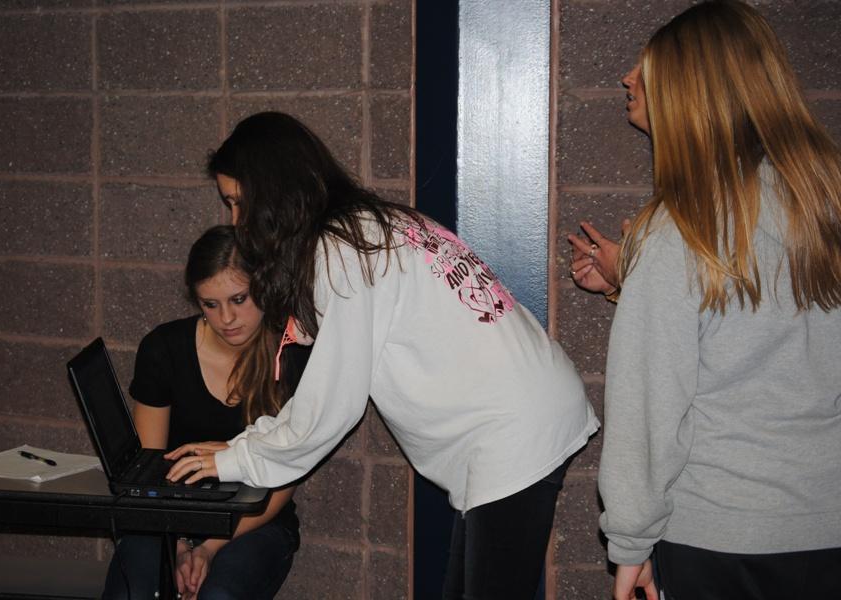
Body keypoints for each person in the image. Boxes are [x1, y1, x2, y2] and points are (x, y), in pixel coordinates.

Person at [164, 111, 600, 598]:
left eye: (240, 204)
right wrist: (247, 445)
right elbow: (317, 371)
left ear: (277, 193)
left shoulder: (344, 253)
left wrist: (237, 458)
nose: (237, 223)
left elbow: (332, 407)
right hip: (519, 420)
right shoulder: (368, 226)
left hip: (514, 432)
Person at [579, 2, 841, 599]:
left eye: (648, 70)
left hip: (720, 536)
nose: (626, 78)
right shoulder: (825, 207)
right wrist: (635, 283)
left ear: (694, 93)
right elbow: (766, 335)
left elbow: (650, 406)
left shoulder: (679, 230)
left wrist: (629, 543)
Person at [103, 225, 309, 600]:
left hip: (256, 521)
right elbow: (151, 469)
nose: (227, 318)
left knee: (219, 595)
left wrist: (210, 547)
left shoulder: (291, 352)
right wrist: (179, 543)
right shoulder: (164, 349)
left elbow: (284, 476)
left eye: (239, 299)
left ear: (264, 286)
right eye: (210, 305)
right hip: (166, 518)